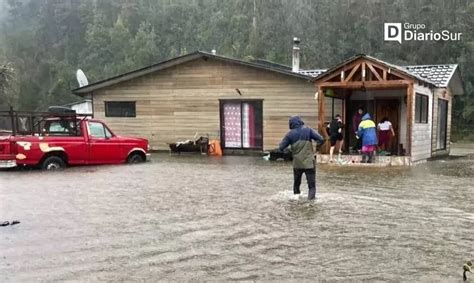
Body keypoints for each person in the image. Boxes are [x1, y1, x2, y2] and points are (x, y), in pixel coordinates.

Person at [279, 116, 324, 200]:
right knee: (311, 186)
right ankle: (311, 204)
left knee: (296, 184)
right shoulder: (308, 130)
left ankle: (296, 202)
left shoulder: (289, 134)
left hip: (297, 164)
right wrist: (317, 148)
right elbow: (321, 139)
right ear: (300, 122)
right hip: (309, 163)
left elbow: (281, 147)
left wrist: (289, 152)